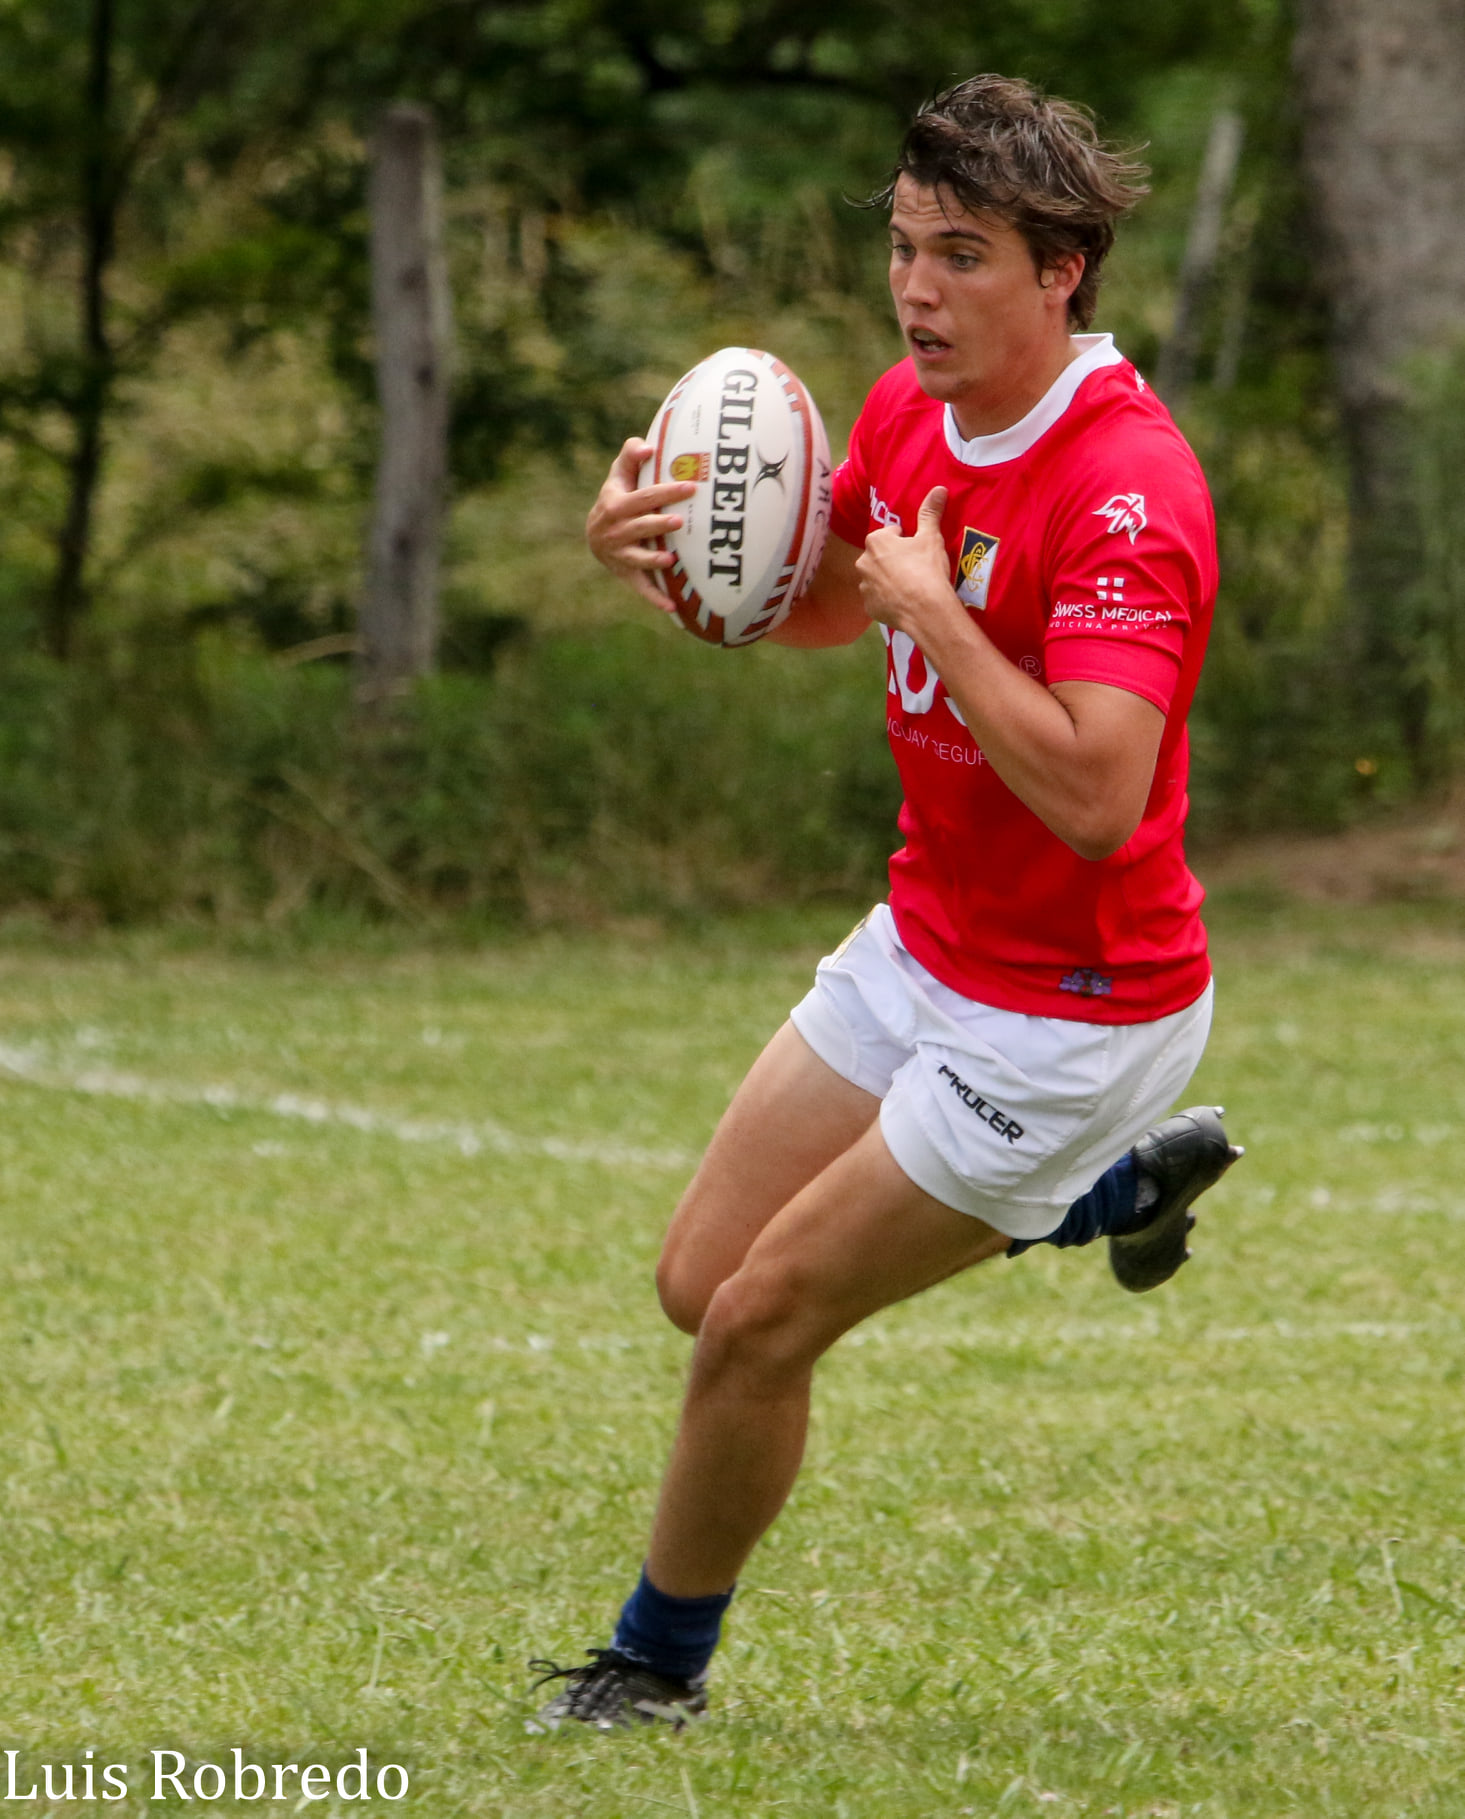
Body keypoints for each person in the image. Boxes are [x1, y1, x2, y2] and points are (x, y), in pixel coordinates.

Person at [528, 72, 1242, 1734]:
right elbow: (834, 611)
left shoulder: (1129, 491)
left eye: (964, 255)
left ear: (1062, 269)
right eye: (908, 248)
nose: (919, 290)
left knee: (758, 1328)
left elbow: (1094, 796)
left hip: (1074, 1008)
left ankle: (654, 1667)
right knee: (699, 1282)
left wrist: (942, 606)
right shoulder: (908, 409)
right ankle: (1104, 1198)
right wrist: (666, 571)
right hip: (922, 942)